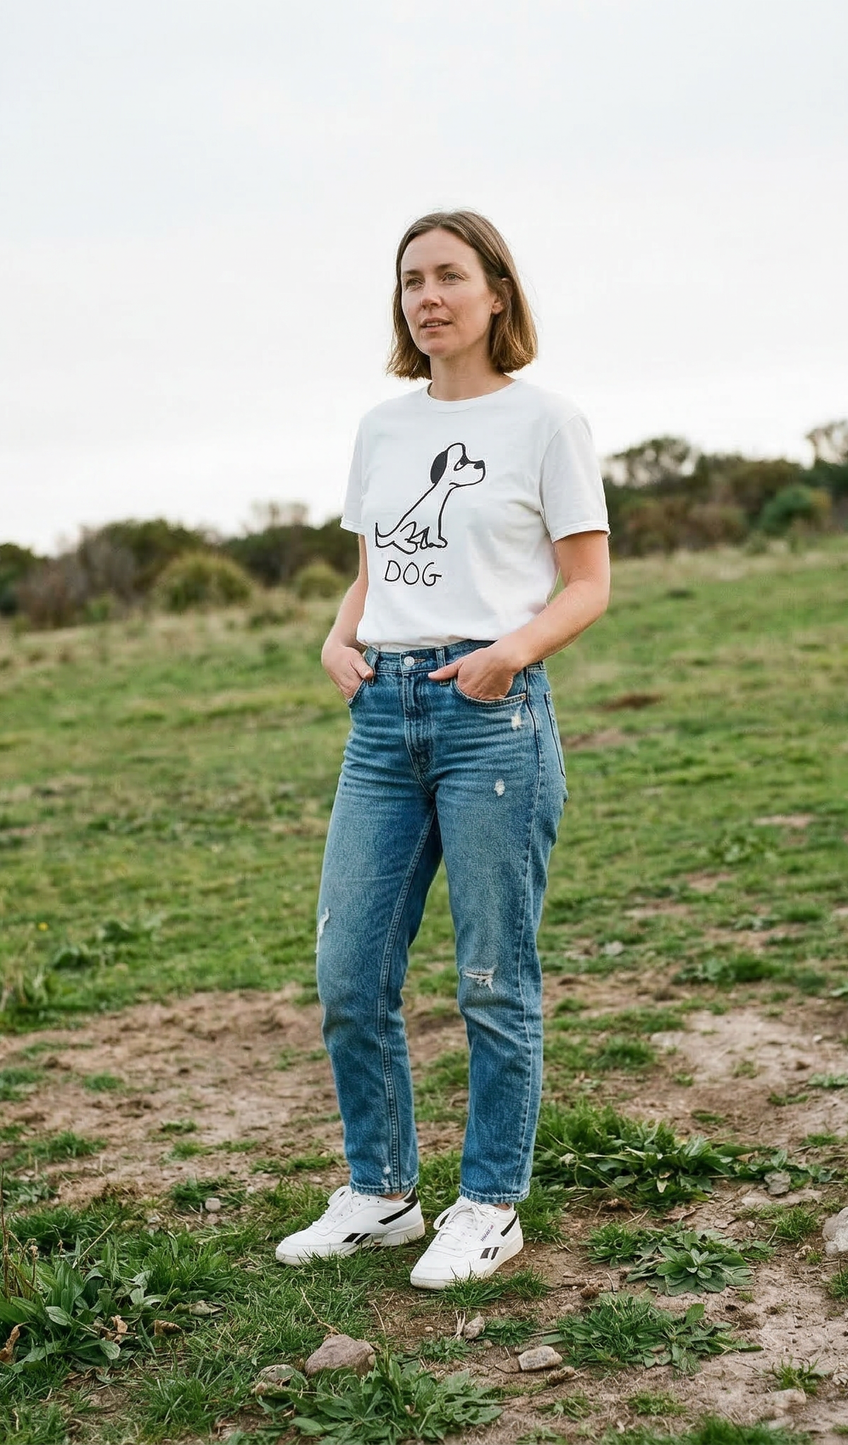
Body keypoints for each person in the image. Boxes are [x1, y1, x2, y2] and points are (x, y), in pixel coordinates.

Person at [275, 210, 610, 1289]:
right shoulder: (381, 428)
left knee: (491, 977)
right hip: (381, 720)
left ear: (495, 292)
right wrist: (336, 636)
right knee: (348, 972)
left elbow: (588, 584)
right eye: (410, 279)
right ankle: (380, 1193)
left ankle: (490, 1204)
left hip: (490, 717)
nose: (427, 296)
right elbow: (377, 569)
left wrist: (506, 655)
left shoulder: (546, 422)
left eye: (449, 276)